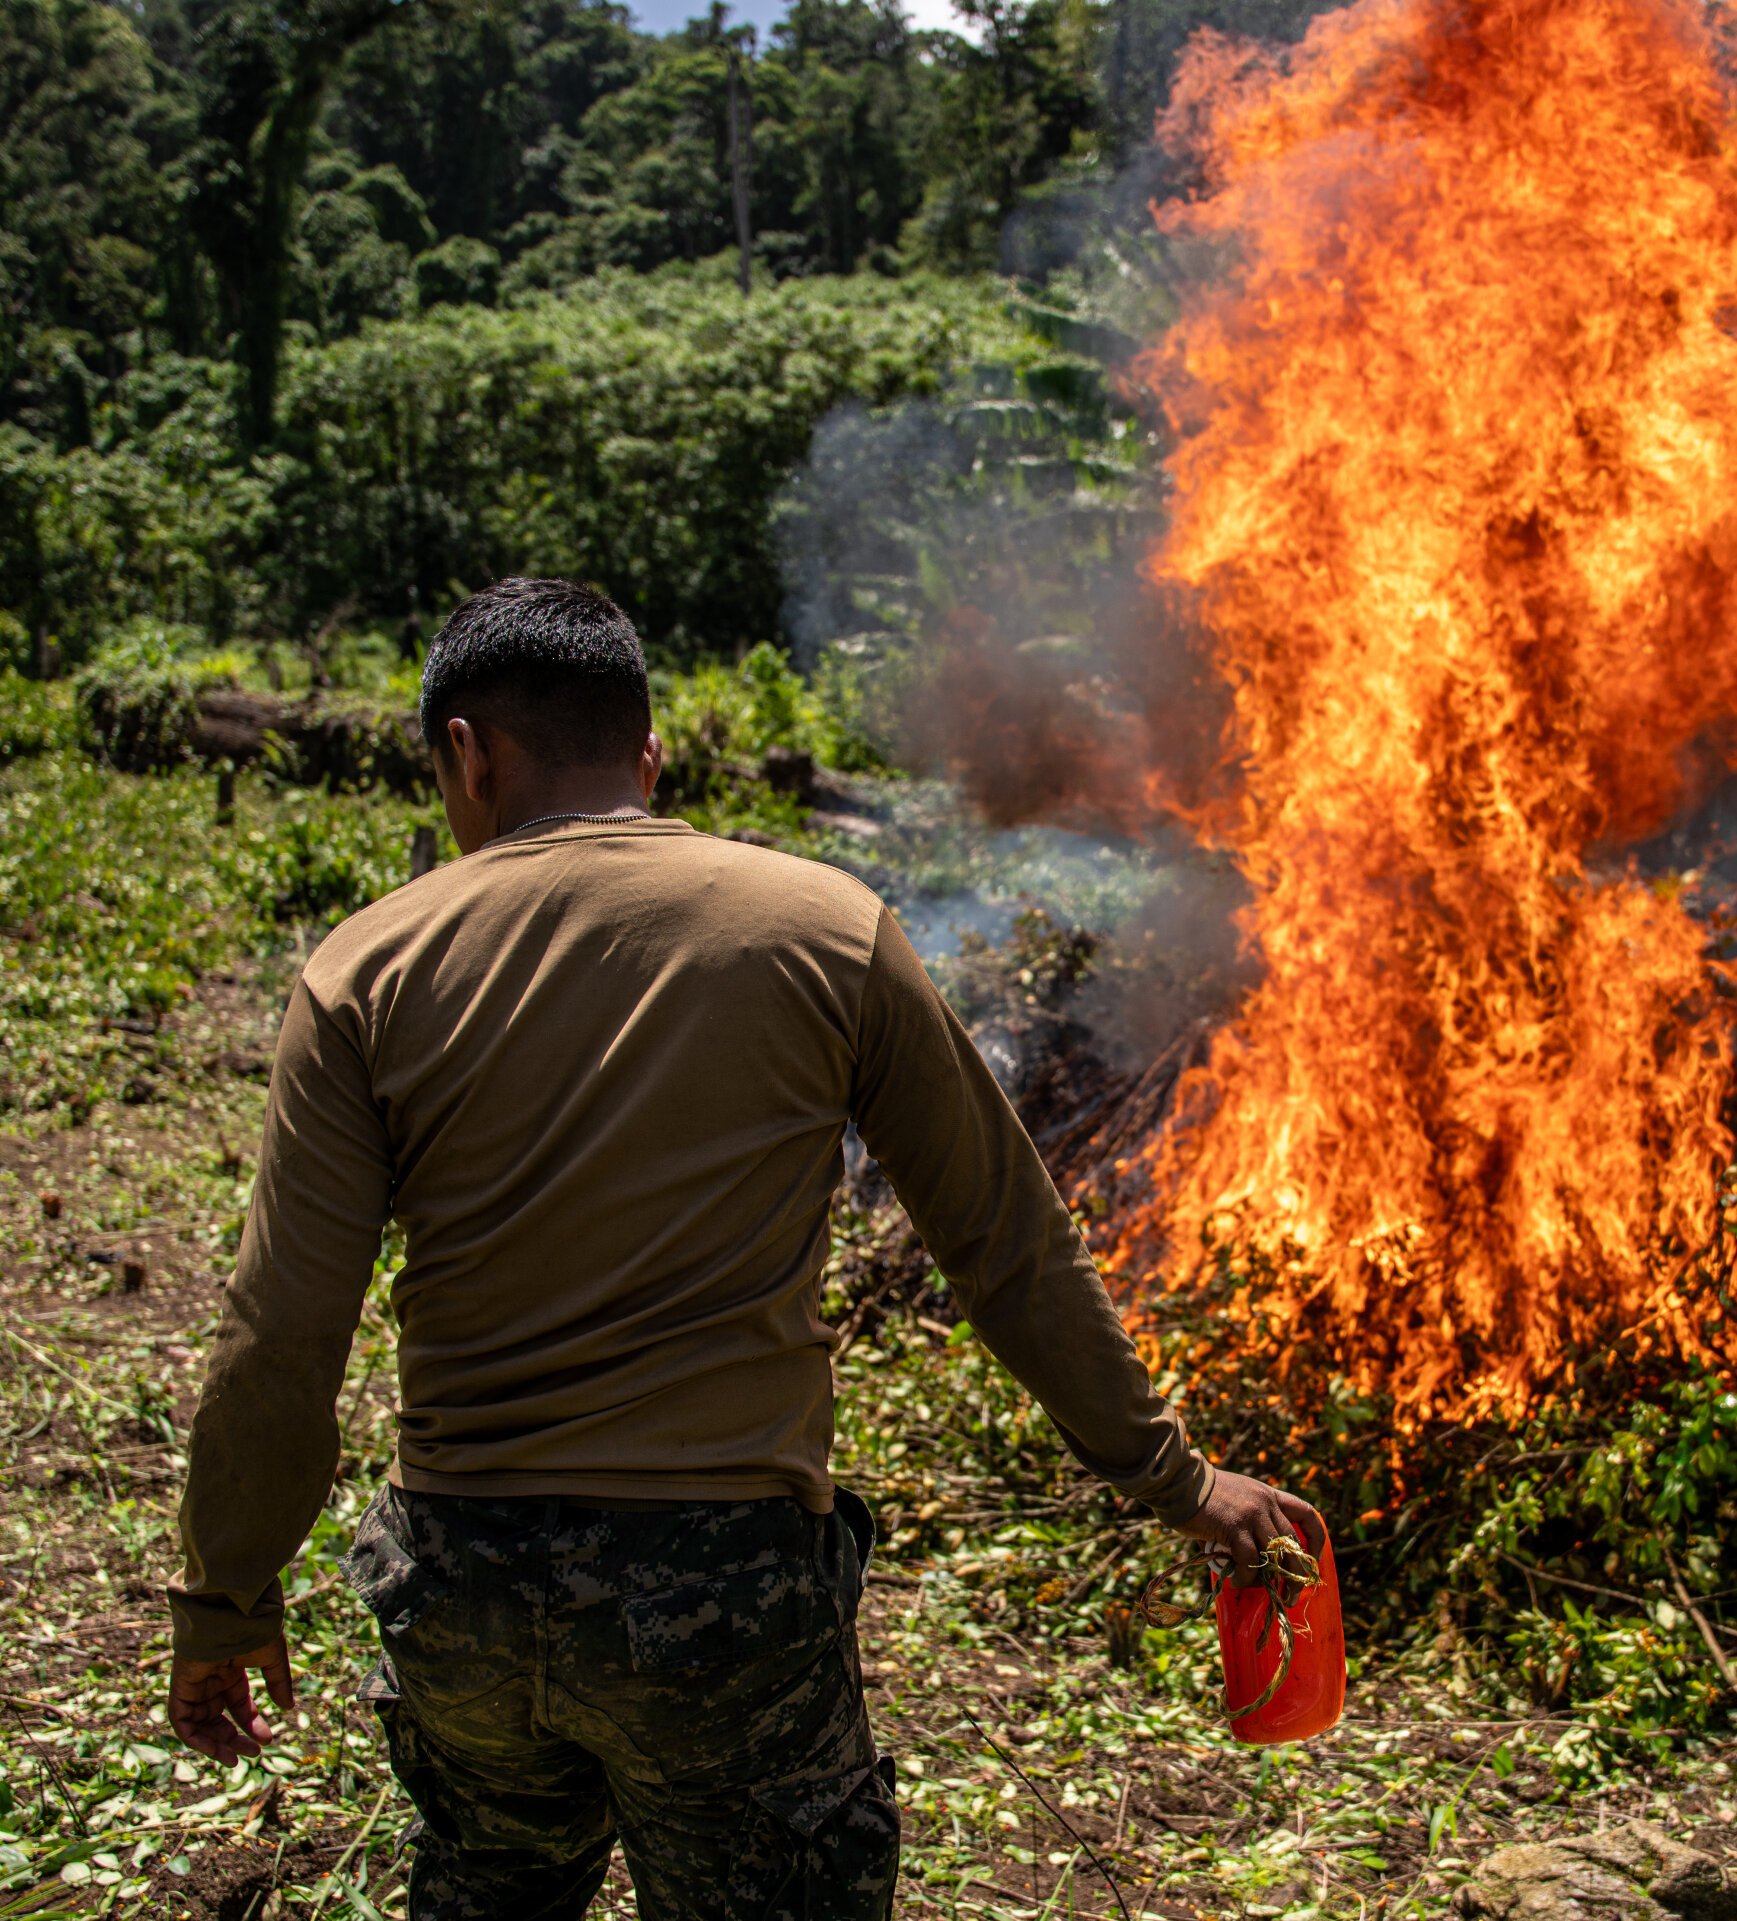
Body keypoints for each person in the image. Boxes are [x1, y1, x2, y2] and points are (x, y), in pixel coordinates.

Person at [164, 577, 1319, 1919]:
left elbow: (280, 1339)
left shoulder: (363, 969)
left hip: (467, 1589)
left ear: (467, 753)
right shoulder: (826, 929)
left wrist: (226, 1594)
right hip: (725, 1602)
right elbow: (1003, 1239)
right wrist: (1174, 1481)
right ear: (649, 755)